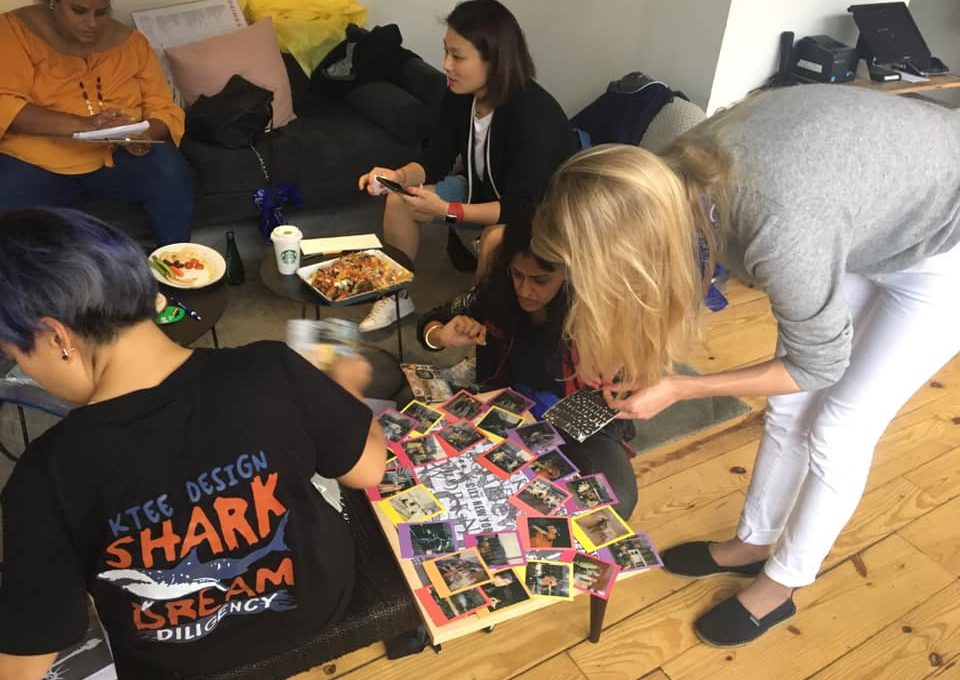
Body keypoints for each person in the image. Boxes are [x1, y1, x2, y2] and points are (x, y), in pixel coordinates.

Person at [530, 85, 960, 647]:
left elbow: (818, 366)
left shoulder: (778, 224)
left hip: (945, 243)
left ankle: (783, 584)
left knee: (839, 428)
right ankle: (753, 543)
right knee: (788, 409)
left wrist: (679, 388)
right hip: (870, 218)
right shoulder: (671, 175)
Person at [0, 208, 385, 679]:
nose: (25, 368)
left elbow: (23, 664)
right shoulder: (270, 368)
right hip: (319, 607)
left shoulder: (44, 477)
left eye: (14, 353)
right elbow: (369, 469)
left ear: (56, 336)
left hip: (177, 667)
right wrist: (346, 388)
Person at [356, 0, 576, 332]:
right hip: (482, 190)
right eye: (446, 52)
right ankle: (396, 295)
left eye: (457, 57)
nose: (446, 65)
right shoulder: (460, 95)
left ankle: (481, 327)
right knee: (399, 200)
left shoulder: (533, 115)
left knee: (495, 239)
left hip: (542, 214)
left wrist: (449, 210)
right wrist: (397, 176)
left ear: (495, 59)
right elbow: (435, 162)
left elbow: (520, 207)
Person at [417, 219, 638, 520]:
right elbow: (431, 322)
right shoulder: (496, 292)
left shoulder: (595, 311)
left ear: (569, 273)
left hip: (575, 424)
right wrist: (440, 336)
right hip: (502, 405)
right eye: (517, 274)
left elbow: (625, 392)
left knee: (616, 499)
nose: (525, 289)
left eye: (540, 280)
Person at [0, 0, 193, 246]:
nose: (91, 23)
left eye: (101, 13)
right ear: (53, 3)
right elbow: (6, 104)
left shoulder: (132, 43)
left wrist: (142, 133)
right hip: (35, 158)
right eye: (79, 11)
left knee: (168, 168)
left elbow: (163, 108)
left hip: (115, 154)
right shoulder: (14, 30)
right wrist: (85, 125)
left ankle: (175, 264)